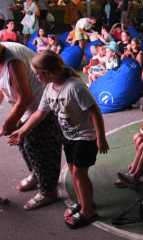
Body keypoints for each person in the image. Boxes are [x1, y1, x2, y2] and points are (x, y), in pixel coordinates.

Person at [8, 50, 109, 228]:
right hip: (69, 136)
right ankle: (82, 202)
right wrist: (22, 130)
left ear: (48, 73)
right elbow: (40, 112)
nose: (36, 77)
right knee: (73, 171)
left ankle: (88, 211)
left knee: (79, 174)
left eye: (37, 74)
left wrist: (100, 138)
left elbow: (95, 111)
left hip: (85, 137)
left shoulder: (75, 87)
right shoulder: (50, 88)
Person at [0, 43, 62, 210]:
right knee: (20, 141)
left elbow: (25, 98)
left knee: (37, 144)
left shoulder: (13, 62)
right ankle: (37, 175)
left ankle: (49, 190)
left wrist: (9, 123)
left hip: (42, 105)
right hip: (27, 107)